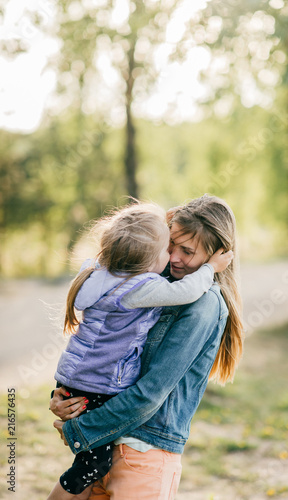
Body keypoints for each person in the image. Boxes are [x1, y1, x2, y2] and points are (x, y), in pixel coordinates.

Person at [50, 194, 243, 500]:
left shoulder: (203, 305)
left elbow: (149, 394)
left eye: (188, 251)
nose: (176, 258)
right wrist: (69, 398)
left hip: (143, 456)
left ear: (218, 254)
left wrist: (81, 429)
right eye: (171, 246)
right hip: (103, 449)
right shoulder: (151, 281)